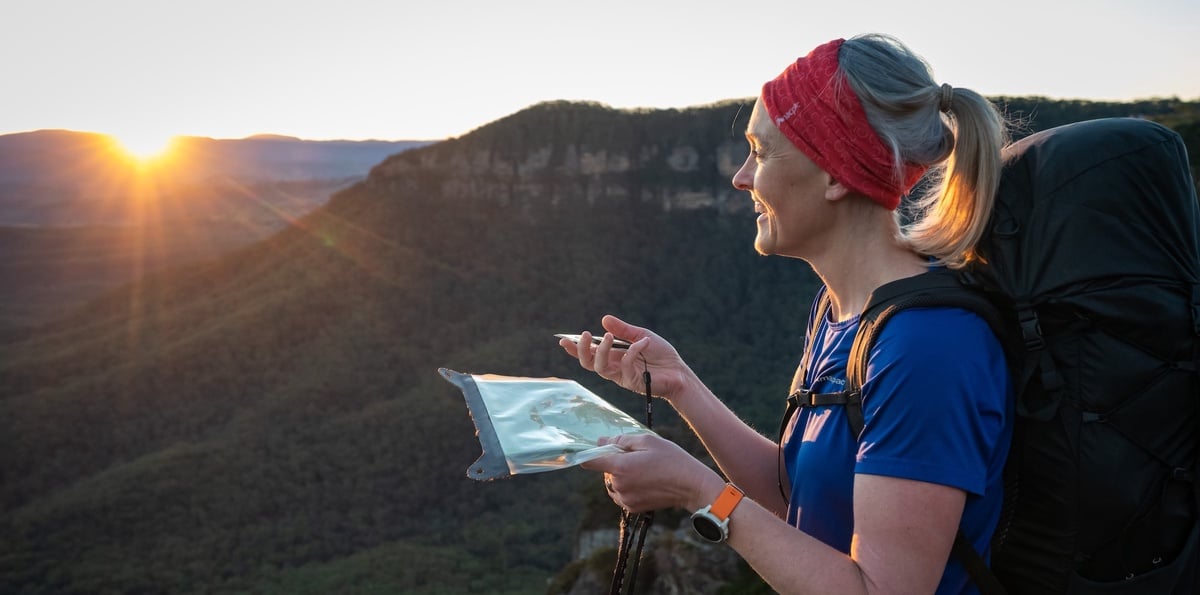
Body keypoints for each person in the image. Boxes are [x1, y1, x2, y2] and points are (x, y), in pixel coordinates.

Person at [560, 33, 1013, 594]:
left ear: (836, 174)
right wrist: (681, 386)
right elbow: (797, 496)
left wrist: (699, 491)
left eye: (760, 152)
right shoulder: (840, 310)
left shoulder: (929, 346)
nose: (740, 177)